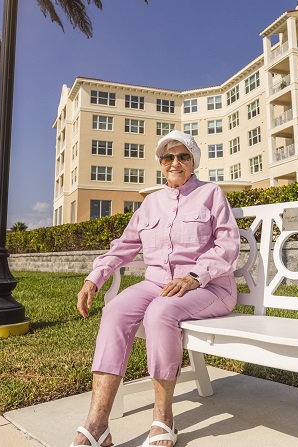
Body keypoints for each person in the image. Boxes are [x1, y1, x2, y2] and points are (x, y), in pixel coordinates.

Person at [70, 130, 240, 447]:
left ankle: (163, 420)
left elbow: (228, 247)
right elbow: (124, 246)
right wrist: (95, 276)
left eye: (183, 156)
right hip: (157, 283)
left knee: (160, 313)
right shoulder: (150, 204)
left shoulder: (211, 193)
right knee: (115, 311)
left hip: (209, 287)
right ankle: (97, 426)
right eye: (168, 157)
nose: (175, 162)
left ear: (194, 161)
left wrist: (194, 275)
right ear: (161, 164)